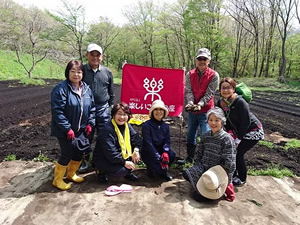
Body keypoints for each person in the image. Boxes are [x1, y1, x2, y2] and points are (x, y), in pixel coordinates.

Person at [51, 60, 95, 190]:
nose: (76, 75)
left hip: (81, 129)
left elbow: (92, 108)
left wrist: (90, 123)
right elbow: (57, 111)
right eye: (73, 71)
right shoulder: (61, 89)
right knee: (67, 152)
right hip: (65, 130)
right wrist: (67, 128)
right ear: (67, 72)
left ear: (83, 73)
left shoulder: (86, 89)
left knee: (78, 152)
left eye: (79, 72)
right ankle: (57, 180)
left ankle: (71, 174)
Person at [217, 77, 264, 186]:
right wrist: (229, 132)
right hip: (237, 130)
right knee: (232, 151)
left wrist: (238, 139)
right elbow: (224, 119)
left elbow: (245, 122)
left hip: (253, 131)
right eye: (223, 88)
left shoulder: (240, 102)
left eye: (228, 88)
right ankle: (233, 173)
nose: (225, 90)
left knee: (238, 153)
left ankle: (242, 178)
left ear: (233, 89)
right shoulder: (221, 103)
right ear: (220, 90)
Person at [183, 107, 236, 202]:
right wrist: (197, 167)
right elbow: (199, 154)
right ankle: (202, 186)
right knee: (186, 173)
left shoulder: (227, 139)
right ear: (207, 121)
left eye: (217, 120)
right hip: (204, 166)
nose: (213, 123)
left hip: (218, 171)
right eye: (210, 120)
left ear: (222, 122)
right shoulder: (205, 136)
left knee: (198, 198)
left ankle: (209, 190)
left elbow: (230, 161)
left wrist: (224, 176)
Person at [80, 43, 115, 172]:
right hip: (86, 110)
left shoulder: (107, 72)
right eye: (92, 55)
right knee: (85, 136)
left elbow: (111, 92)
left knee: (103, 136)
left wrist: (109, 107)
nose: (95, 58)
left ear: (102, 57)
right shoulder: (81, 71)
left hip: (103, 109)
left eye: (98, 55)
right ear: (87, 55)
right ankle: (84, 160)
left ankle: (99, 161)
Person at [184, 48, 220, 164]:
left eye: (204, 59)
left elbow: (210, 93)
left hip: (207, 112)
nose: (202, 61)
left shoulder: (214, 75)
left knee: (206, 135)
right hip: (192, 111)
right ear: (196, 60)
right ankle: (190, 158)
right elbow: (188, 90)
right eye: (200, 59)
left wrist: (200, 104)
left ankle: (204, 160)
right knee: (190, 135)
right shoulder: (189, 74)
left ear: (208, 61)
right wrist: (190, 103)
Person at [92, 102, 142, 183]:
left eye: (125, 114)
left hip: (120, 155)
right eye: (119, 113)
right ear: (113, 115)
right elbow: (111, 153)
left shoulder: (127, 125)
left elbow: (136, 139)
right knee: (122, 171)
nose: (122, 117)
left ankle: (127, 171)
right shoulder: (107, 129)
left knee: (139, 151)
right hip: (106, 159)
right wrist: (124, 162)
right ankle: (101, 171)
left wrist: (136, 150)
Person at [141, 100, 176, 181]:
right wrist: (158, 157)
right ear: (152, 112)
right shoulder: (146, 125)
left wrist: (165, 152)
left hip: (160, 151)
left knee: (172, 155)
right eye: (156, 109)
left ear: (164, 112)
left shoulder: (165, 126)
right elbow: (148, 143)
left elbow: (167, 141)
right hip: (149, 153)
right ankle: (151, 168)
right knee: (159, 170)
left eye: (161, 110)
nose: (158, 112)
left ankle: (164, 170)